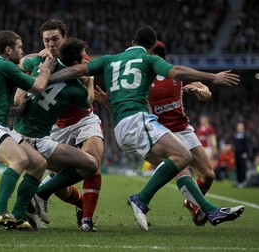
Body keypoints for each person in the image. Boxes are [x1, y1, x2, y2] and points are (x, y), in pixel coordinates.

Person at [49, 26, 244, 231]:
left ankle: (207, 210)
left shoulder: (111, 60)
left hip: (128, 128)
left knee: (181, 165)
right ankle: (141, 199)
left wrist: (46, 79)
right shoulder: (148, 60)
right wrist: (214, 77)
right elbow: (176, 71)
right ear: (151, 47)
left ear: (133, 41)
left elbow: (77, 70)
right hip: (139, 122)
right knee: (182, 157)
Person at [94, 40, 220, 226]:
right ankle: (198, 208)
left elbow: (205, 90)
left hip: (183, 129)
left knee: (208, 175)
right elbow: (126, 108)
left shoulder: (172, 73)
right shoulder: (143, 77)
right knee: (180, 167)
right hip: (160, 133)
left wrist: (201, 92)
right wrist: (107, 102)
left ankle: (191, 204)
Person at [19, 19, 104, 232]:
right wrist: (34, 60)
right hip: (55, 127)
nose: (51, 44)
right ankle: (80, 205)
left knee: (93, 159)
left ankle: (87, 219)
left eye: (55, 38)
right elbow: (21, 63)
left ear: (64, 38)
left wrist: (46, 75)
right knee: (61, 185)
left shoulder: (78, 56)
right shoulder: (41, 58)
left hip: (83, 119)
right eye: (46, 40)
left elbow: (74, 75)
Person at [0, 30, 56, 231]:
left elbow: (3, 106)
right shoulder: (3, 65)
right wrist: (46, 70)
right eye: (19, 47)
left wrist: (19, 108)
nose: (22, 51)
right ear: (9, 50)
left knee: (39, 163)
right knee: (19, 160)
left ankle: (16, 215)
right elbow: (38, 87)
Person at [233, 121, 249, 188]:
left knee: (243, 168)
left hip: (242, 154)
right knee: (238, 168)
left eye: (241, 127)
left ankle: (243, 181)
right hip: (236, 154)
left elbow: (246, 145)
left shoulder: (245, 136)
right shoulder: (235, 136)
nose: (240, 128)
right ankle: (239, 180)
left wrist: (246, 152)